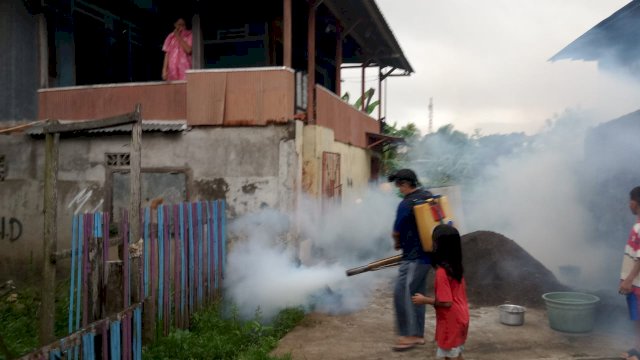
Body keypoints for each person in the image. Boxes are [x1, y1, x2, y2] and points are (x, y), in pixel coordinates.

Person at [387, 168, 434, 351]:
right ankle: (418, 335)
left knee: (403, 293)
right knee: (416, 295)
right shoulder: (428, 196)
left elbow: (395, 231)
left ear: (405, 184)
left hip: (413, 258)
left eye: (399, 185)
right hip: (427, 256)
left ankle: (409, 335)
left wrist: (397, 243)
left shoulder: (406, 204)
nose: (399, 189)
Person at [412, 224, 469, 360]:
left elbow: (446, 302)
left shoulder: (442, 273)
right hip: (463, 318)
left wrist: (424, 300)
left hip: (451, 321)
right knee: (457, 354)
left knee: (449, 356)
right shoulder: (457, 268)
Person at [619, 186, 640, 360]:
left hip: (637, 282)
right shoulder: (637, 225)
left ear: (635, 202)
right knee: (637, 318)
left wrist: (629, 279)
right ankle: (636, 348)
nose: (629, 205)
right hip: (633, 283)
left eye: (630, 201)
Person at [162, 17, 193, 81]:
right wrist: (164, 70)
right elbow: (167, 54)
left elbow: (188, 50)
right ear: (175, 25)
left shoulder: (189, 35)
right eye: (179, 25)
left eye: (183, 25)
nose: (181, 27)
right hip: (172, 71)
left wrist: (178, 36)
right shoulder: (170, 37)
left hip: (185, 69)